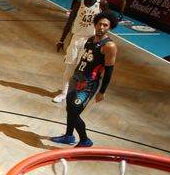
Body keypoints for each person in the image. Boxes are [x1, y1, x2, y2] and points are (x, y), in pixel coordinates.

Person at [50, 11, 119, 148]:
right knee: (70, 109)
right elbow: (84, 60)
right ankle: (69, 136)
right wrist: (73, 75)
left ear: (110, 28)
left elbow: (109, 70)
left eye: (105, 25)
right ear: (95, 24)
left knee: (75, 111)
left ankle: (85, 140)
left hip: (88, 84)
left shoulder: (109, 46)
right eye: (100, 24)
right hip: (76, 79)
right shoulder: (90, 39)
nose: (101, 27)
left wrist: (102, 91)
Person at [53, 0, 108, 103]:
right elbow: (69, 22)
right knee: (69, 67)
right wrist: (61, 39)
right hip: (76, 38)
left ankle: (75, 93)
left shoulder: (102, 4)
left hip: (90, 40)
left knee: (82, 69)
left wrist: (102, 41)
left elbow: (106, 22)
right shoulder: (79, 4)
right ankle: (64, 92)